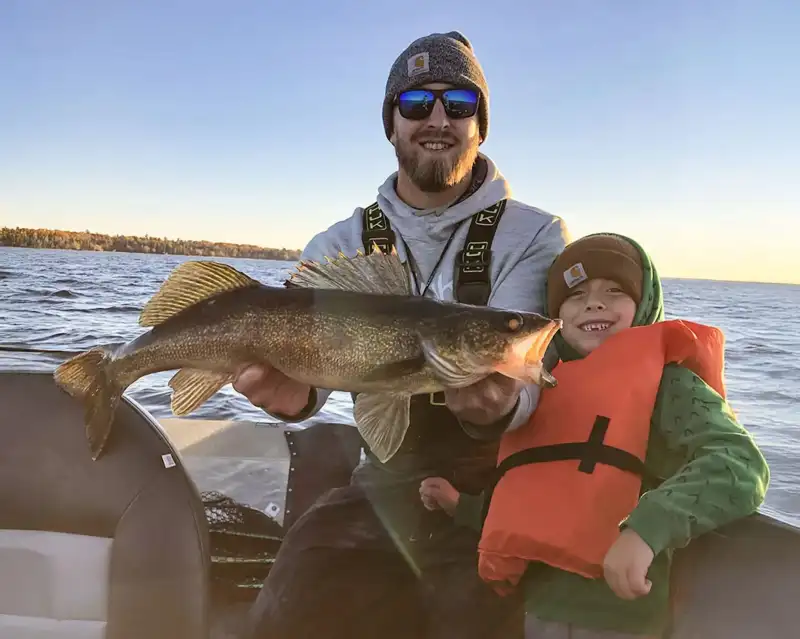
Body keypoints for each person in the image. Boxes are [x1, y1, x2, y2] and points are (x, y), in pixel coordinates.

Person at [237, 31, 570, 639]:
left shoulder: (535, 235)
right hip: (382, 483)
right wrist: (294, 398)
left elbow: (526, 377)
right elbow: (310, 382)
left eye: (459, 103)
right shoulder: (337, 245)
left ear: (480, 125)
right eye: (416, 103)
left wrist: (498, 408)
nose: (437, 120)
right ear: (391, 123)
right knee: (287, 611)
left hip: (497, 488)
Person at [419, 233, 770, 639]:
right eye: (575, 294)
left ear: (645, 303)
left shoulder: (669, 384)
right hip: (540, 607)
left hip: (622, 616)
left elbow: (739, 464)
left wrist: (647, 530)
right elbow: (540, 489)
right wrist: (462, 506)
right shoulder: (541, 388)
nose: (594, 303)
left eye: (614, 290)